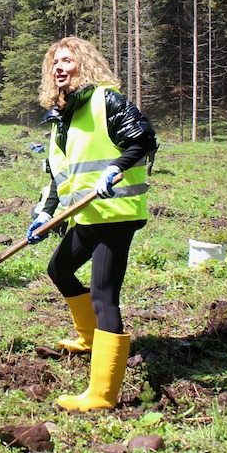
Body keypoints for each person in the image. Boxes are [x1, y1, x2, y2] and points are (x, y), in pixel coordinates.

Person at [24, 37, 156, 412]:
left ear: (84, 64)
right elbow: (58, 174)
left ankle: (101, 395)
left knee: (103, 295)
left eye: (67, 60)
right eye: (55, 63)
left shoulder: (105, 100)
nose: (59, 68)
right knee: (59, 269)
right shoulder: (60, 118)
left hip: (115, 214)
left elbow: (144, 138)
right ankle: (87, 339)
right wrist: (45, 213)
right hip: (85, 215)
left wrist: (116, 167)